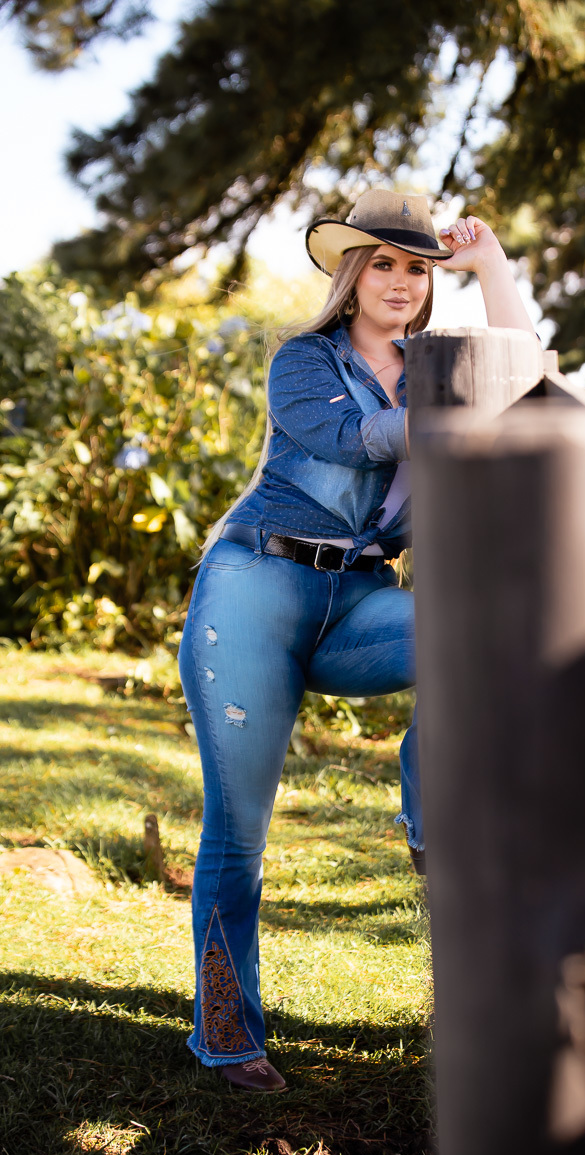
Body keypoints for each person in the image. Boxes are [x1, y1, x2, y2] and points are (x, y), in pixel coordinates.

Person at [178, 189, 537, 1092]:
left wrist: (489, 265)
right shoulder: (303, 361)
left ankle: (430, 818)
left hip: (361, 598)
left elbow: (523, 384)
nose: (402, 282)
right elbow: (354, 438)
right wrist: (466, 410)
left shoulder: (438, 368)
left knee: (477, 630)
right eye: (383, 263)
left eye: (417, 267)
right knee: (240, 831)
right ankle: (226, 1034)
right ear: (352, 274)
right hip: (255, 588)